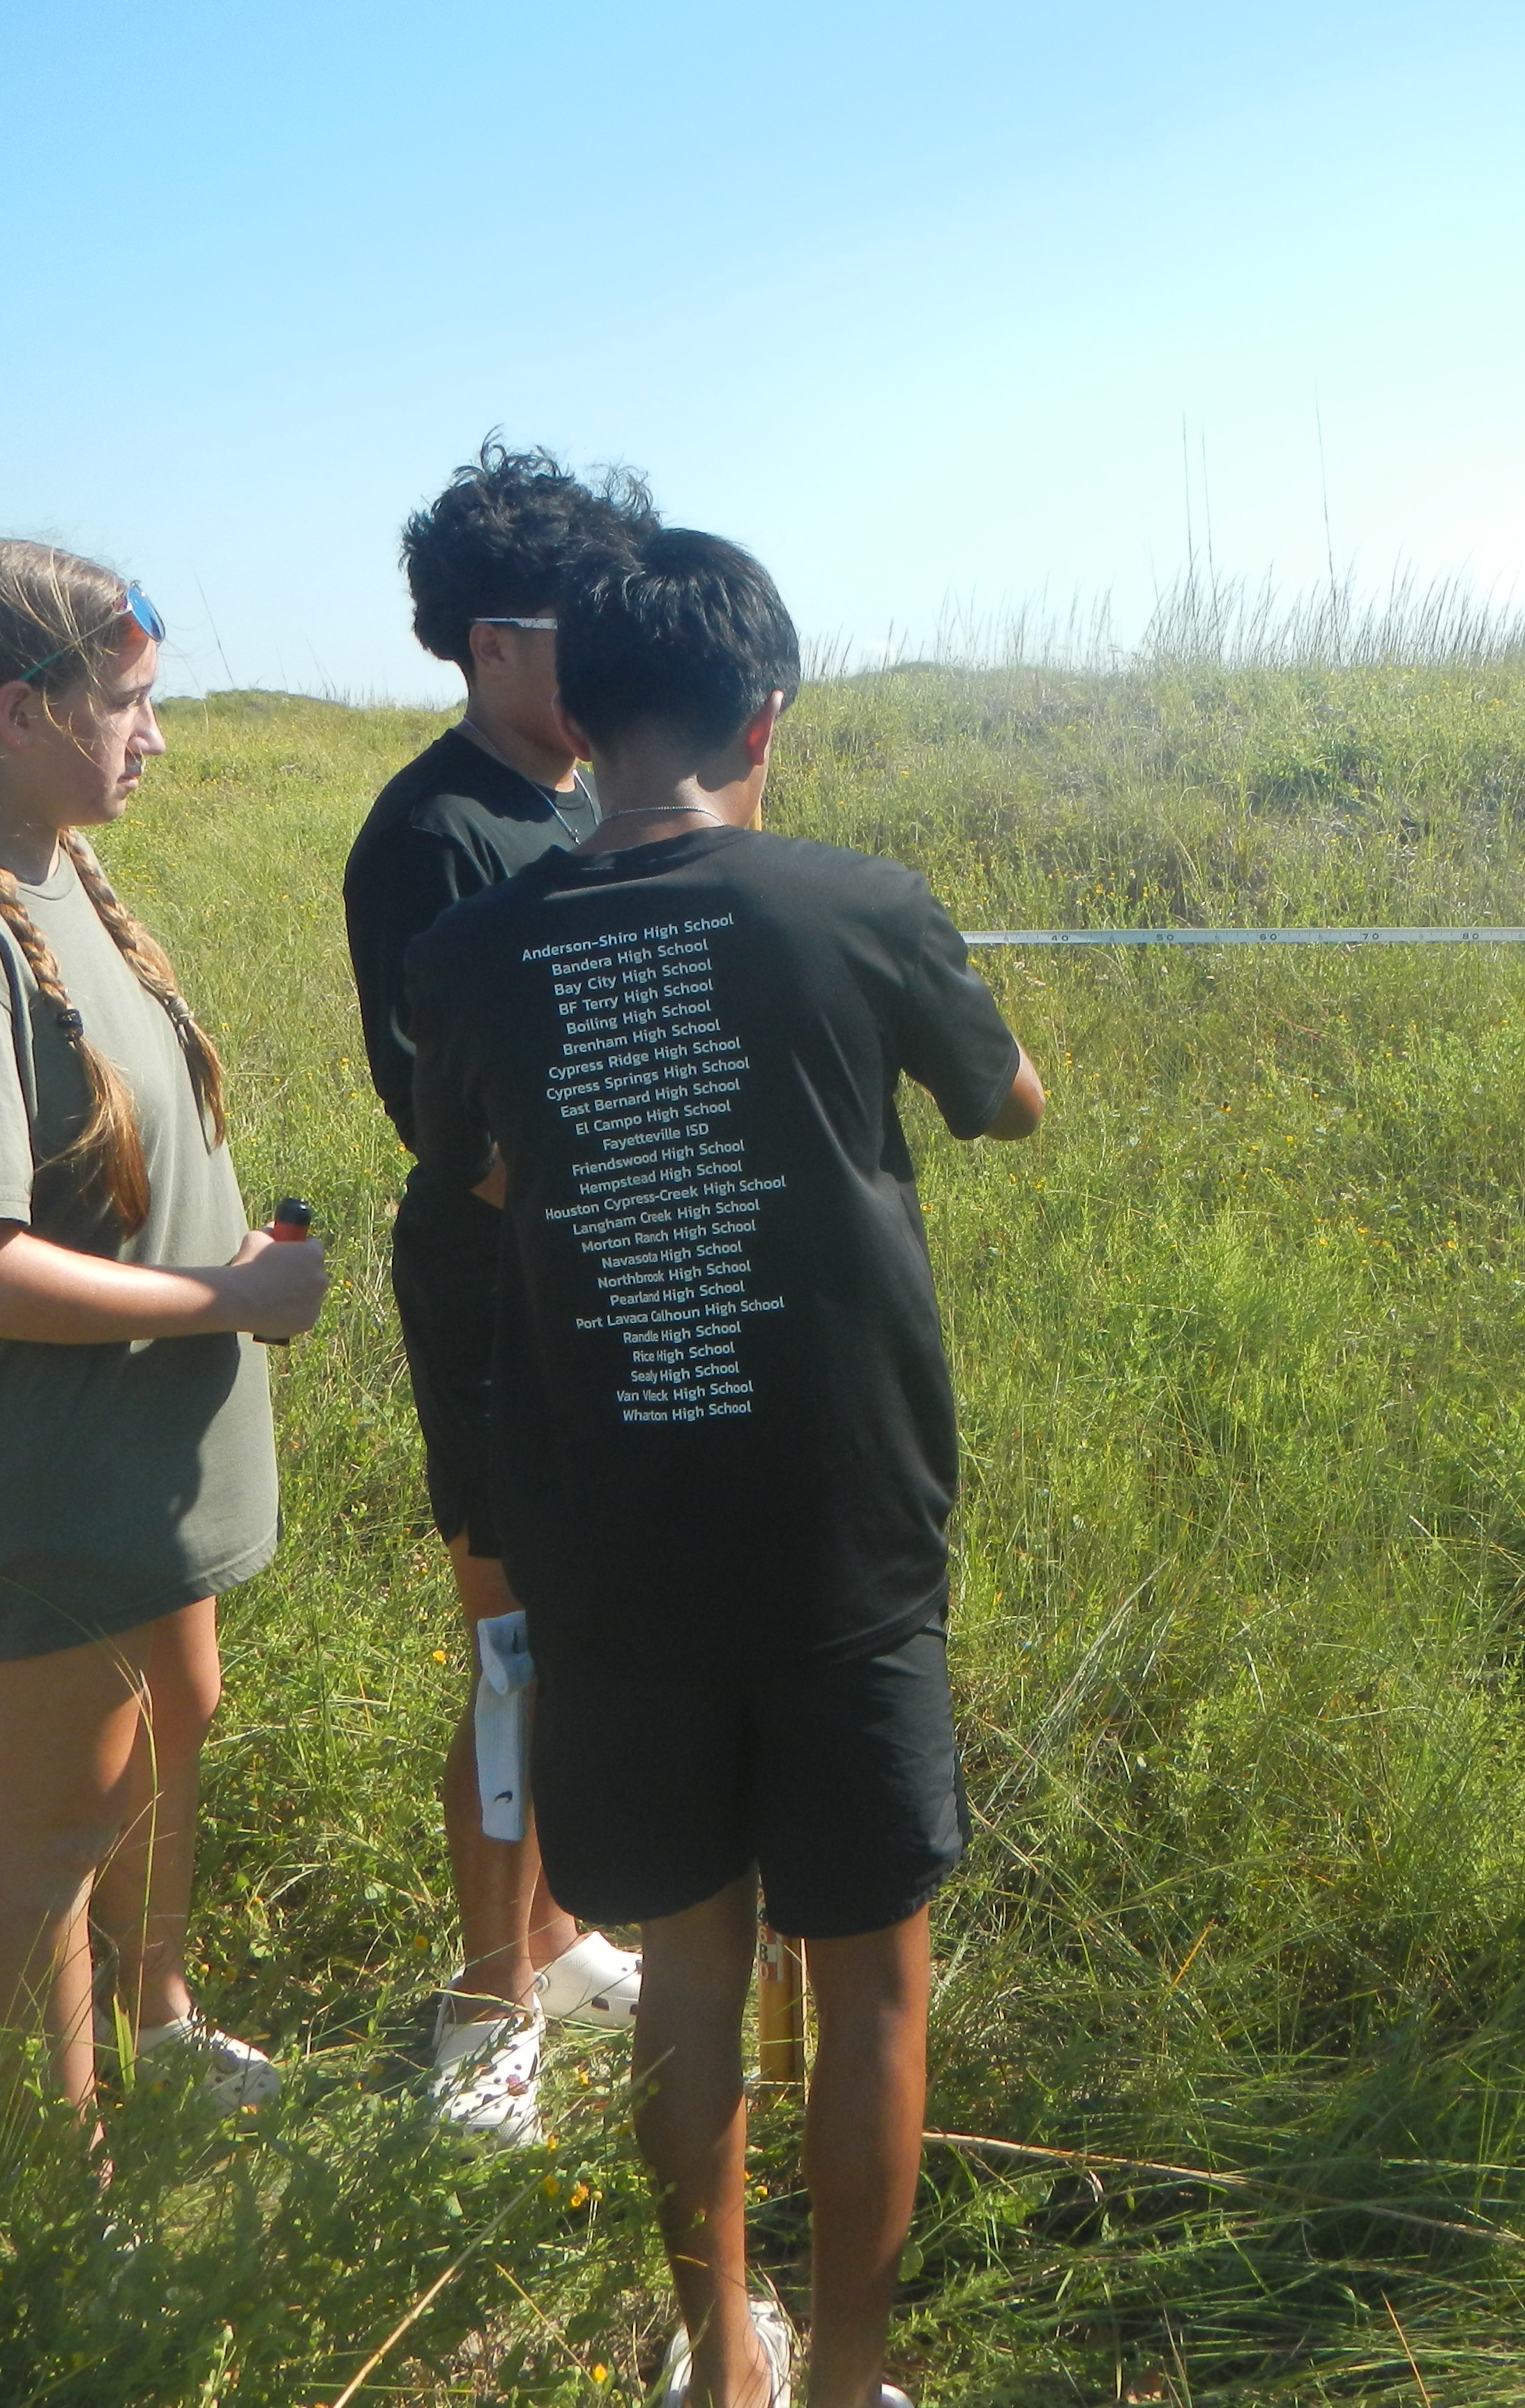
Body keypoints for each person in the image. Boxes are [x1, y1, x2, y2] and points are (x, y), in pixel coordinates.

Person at [404, 528, 1045, 2408]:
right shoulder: (854, 901)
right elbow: (1009, 1101)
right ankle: (845, 2386)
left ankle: (724, 2366)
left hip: (608, 1540)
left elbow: (487, 1172)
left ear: (578, 713)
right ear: (767, 714)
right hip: (844, 1533)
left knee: (687, 1979)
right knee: (872, 1984)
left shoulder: (472, 953)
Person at [0, 540, 329, 2113]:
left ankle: (158, 2020)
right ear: (18, 707)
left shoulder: (57, 874)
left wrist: (220, 1247)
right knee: (57, 1823)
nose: (155, 734)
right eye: (126, 702)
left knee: (174, 1717)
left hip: (136, 1442)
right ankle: (60, 2179)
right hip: (39, 1463)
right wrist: (230, 1296)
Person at [344, 442, 656, 2143]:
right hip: (495, 1288)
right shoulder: (435, 833)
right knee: (516, 1649)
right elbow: (454, 1129)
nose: (606, 652)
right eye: (578, 622)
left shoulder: (591, 801)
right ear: (488, 642)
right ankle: (484, 2007)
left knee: (587, 1624)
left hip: (602, 1276)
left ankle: (554, 1931)